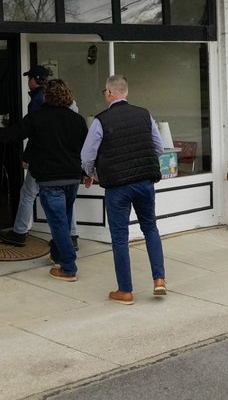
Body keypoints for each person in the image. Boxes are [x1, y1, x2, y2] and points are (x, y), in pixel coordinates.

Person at [0, 78, 88, 281]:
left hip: (50, 180)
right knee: (64, 219)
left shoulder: (37, 118)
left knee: (59, 223)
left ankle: (68, 268)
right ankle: (58, 254)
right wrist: (87, 173)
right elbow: (85, 150)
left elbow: (11, 134)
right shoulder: (77, 120)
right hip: (72, 178)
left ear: (46, 96)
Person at [80, 74, 167, 305]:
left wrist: (91, 174)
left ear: (109, 93)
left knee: (120, 238)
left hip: (117, 187)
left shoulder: (101, 120)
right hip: (145, 183)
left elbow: (87, 156)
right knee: (150, 228)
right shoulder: (144, 114)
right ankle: (159, 280)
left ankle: (125, 291)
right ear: (125, 93)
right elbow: (158, 148)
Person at [0, 65, 80, 249]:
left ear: (36, 81)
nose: (28, 82)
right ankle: (71, 237)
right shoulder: (75, 114)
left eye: (30, 78)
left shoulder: (38, 103)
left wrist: (27, 155)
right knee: (65, 204)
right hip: (69, 166)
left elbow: (33, 133)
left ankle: (20, 232)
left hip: (46, 163)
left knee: (29, 194)